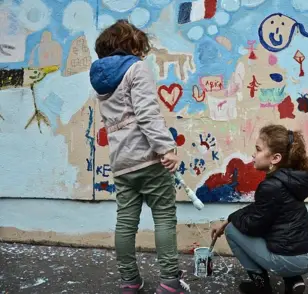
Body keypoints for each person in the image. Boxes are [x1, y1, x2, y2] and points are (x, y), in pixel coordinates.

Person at [89, 20, 188, 294]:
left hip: (121, 161)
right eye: (139, 47)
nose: (141, 53)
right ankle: (169, 281)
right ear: (130, 45)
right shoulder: (136, 68)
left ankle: (129, 281)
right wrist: (166, 148)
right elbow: (146, 114)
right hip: (147, 158)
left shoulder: (100, 79)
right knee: (164, 217)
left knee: (125, 221)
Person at [211, 124, 308, 294]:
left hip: (289, 260)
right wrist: (228, 218)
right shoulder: (292, 181)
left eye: (258, 149)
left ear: (275, 158)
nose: (254, 154)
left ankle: (261, 286)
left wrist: (229, 224)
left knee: (233, 231)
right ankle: (293, 282)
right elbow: (259, 209)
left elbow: (253, 226)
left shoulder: (271, 186)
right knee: (275, 229)